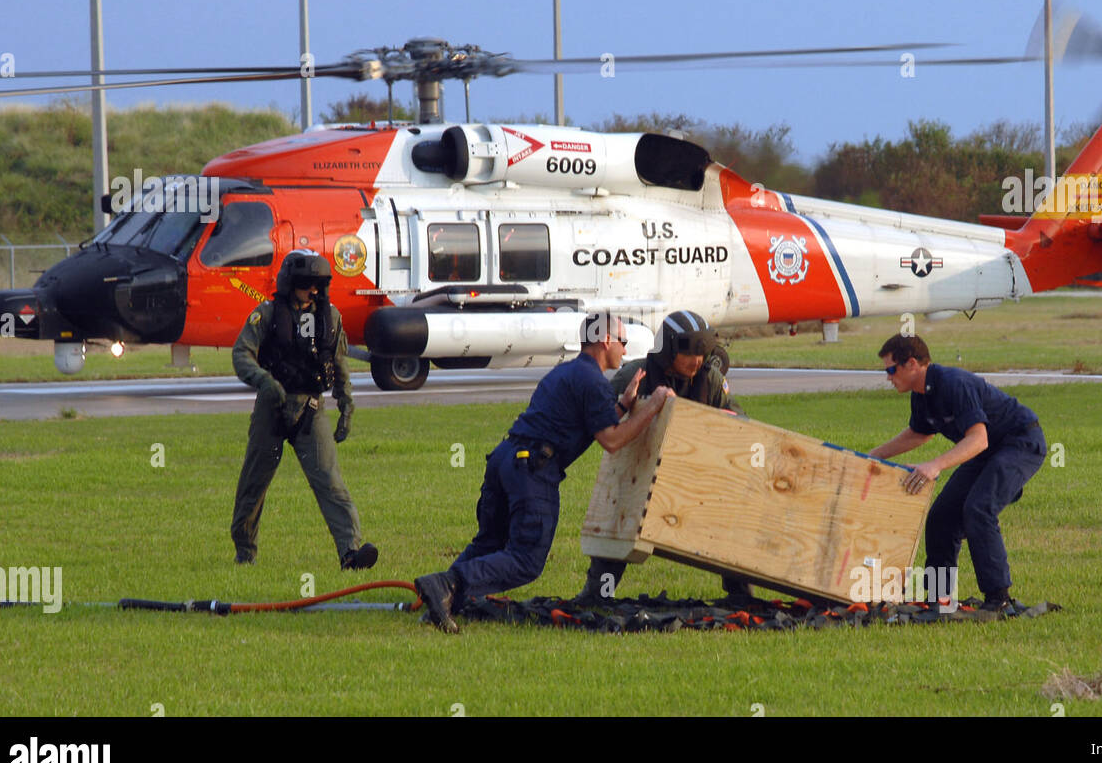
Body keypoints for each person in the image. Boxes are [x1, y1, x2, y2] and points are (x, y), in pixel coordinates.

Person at [415, 312, 673, 633]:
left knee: (490, 543)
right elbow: (612, 440)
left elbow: (589, 423)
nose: (624, 348)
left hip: (506, 458)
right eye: (622, 341)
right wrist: (654, 405)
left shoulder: (567, 372)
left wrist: (623, 405)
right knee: (526, 559)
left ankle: (442, 599)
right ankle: (445, 584)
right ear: (605, 340)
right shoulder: (593, 381)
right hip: (532, 470)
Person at [575, 309, 756, 605]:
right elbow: (602, 419)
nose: (696, 361)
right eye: (689, 353)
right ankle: (599, 593)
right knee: (617, 523)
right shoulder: (635, 375)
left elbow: (741, 424)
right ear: (669, 348)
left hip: (697, 477)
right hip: (639, 473)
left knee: (730, 515)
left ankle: (740, 595)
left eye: (702, 354)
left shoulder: (710, 380)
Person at [867, 334, 1045, 611]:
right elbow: (919, 433)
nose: (888, 377)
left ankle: (999, 599)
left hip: (1019, 442)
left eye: (891, 369)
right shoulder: (921, 394)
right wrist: (874, 456)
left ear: (911, 364)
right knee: (941, 517)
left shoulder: (953, 383)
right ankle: (939, 598)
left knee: (979, 508)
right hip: (985, 450)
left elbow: (978, 439)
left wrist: (934, 465)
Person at [229, 249, 377, 570]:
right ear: (289, 283)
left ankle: (350, 553)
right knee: (254, 484)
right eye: (305, 284)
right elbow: (241, 353)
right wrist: (264, 381)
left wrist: (346, 404)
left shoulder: (330, 318)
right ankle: (245, 551)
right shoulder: (267, 314)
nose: (312, 291)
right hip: (272, 409)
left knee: (330, 482)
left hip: (311, 410)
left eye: (317, 285)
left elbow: (338, 363)